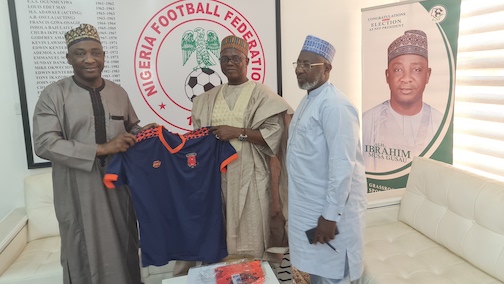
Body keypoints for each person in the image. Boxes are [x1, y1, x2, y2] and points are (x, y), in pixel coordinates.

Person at [32, 23, 155, 284]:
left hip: (119, 185)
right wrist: (102, 148)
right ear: (68, 58)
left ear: (103, 56)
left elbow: (129, 127)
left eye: (95, 52)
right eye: (80, 53)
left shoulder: (118, 92)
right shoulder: (53, 95)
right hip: (77, 187)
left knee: (124, 242)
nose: (89, 59)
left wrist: (146, 133)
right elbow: (44, 143)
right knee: (83, 247)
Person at [191, 35, 291, 262]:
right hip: (218, 178)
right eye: (225, 59)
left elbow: (274, 136)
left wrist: (237, 132)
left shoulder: (262, 95)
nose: (230, 63)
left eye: (236, 58)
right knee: (221, 235)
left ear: (247, 61)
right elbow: (197, 138)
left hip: (252, 176)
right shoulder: (208, 99)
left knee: (253, 234)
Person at [287, 35, 367, 284]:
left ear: (327, 68)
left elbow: (342, 165)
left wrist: (330, 216)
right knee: (318, 273)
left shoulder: (335, 106)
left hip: (329, 213)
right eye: (298, 64)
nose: (300, 70)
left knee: (334, 274)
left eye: (308, 65)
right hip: (309, 208)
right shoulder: (309, 99)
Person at [362, 29, 443, 173]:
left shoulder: (440, 122)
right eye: (398, 70)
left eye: (416, 70)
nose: (406, 78)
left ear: (428, 75)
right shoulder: (367, 121)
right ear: (387, 75)